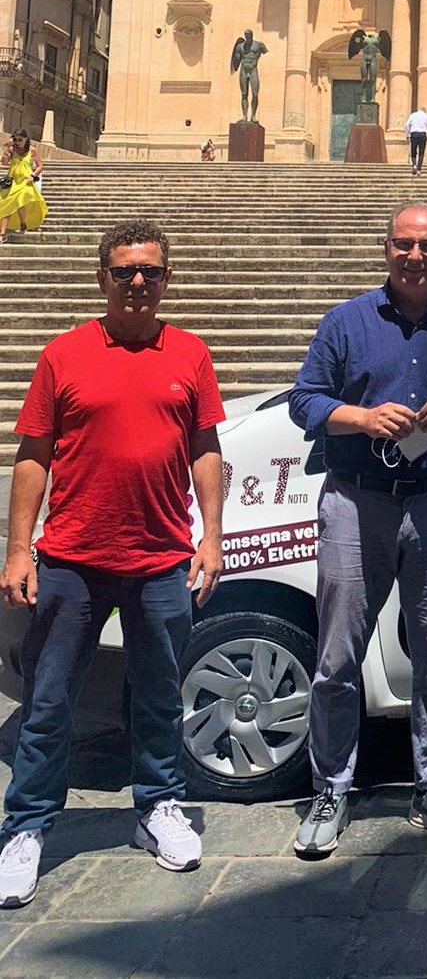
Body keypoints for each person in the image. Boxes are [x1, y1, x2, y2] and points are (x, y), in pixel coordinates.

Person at [0, 218, 224, 907]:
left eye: (150, 271)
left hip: (161, 557)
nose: (137, 282)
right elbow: (34, 453)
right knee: (48, 701)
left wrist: (211, 535)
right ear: (102, 276)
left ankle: (158, 808)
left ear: (166, 279)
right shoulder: (63, 354)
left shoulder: (189, 353)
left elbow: (205, 450)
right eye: (125, 270)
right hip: (71, 556)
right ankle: (26, 827)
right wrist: (18, 547)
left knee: (159, 694)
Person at [288, 203, 427, 858]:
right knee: (335, 660)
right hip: (356, 503)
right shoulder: (346, 321)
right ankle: (331, 789)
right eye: (404, 244)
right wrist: (356, 416)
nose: (415, 256)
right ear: (386, 248)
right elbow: (305, 401)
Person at [0, 132, 46, 242]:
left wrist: (33, 175)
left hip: (26, 181)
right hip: (13, 181)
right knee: (8, 205)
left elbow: (40, 166)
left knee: (20, 201)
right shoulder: (11, 149)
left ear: (26, 139)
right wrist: (7, 148)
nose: (18, 142)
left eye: (20, 140)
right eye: (16, 139)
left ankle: (22, 223)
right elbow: (4, 163)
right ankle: (4, 232)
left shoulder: (31, 150)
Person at [405, 106, 427, 175]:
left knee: (413, 151)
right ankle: (419, 169)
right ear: (425, 111)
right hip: (422, 135)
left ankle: (414, 165)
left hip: (414, 134)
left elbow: (407, 125)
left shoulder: (413, 115)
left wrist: (407, 135)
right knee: (421, 153)